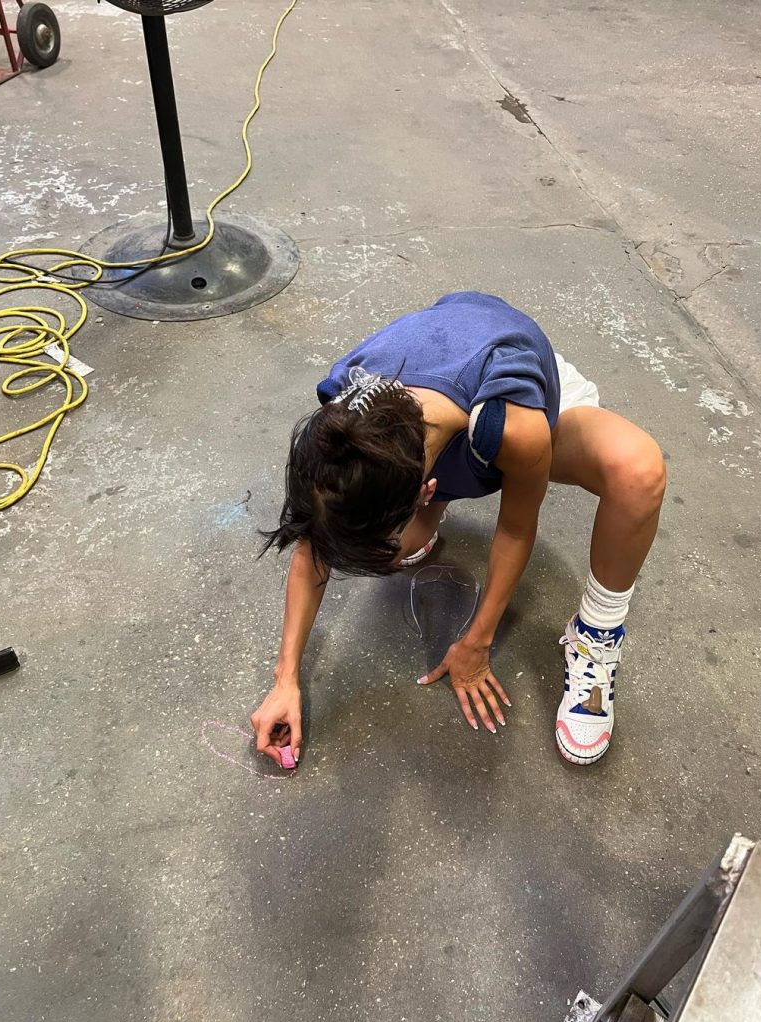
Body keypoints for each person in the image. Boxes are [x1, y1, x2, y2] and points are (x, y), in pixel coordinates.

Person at [251, 291, 666, 767]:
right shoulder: (344, 419)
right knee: (380, 547)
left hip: (516, 378)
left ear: (425, 490)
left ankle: (596, 636)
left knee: (639, 472)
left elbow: (516, 529)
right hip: (445, 370)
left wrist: (477, 642)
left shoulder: (514, 425)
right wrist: (285, 679)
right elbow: (317, 541)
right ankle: (425, 511)